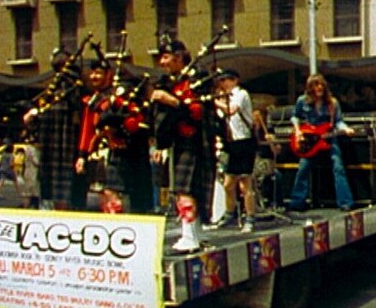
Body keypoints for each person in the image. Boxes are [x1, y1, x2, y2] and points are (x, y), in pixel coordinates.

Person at [151, 39, 217, 252]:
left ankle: (190, 237)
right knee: (187, 189)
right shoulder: (171, 80)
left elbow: (197, 111)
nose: (162, 62)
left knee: (185, 189)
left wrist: (170, 100)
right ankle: (194, 235)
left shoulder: (197, 78)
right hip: (179, 141)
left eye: (166, 57)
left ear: (179, 57)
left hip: (195, 140)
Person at [75, 59, 153, 214]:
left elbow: (139, 122)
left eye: (98, 73)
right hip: (105, 152)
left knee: (136, 198)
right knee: (107, 194)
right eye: (92, 73)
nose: (93, 77)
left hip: (131, 150)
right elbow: (87, 129)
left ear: (108, 74)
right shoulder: (94, 101)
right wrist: (82, 155)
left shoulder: (124, 94)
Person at [23, 48, 84, 210]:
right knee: (52, 190)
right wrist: (33, 116)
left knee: (61, 191)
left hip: (65, 147)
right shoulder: (55, 89)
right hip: (53, 146)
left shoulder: (71, 89)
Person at [288, 74, 357, 212]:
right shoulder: (302, 101)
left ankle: (345, 202)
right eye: (315, 85)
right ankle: (297, 201)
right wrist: (298, 132)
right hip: (309, 140)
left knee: (338, 166)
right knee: (303, 167)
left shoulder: (332, 103)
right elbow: (295, 117)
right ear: (310, 88)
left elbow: (338, 121)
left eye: (321, 85)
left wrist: (345, 129)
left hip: (329, 138)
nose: (319, 88)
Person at [213, 69, 257, 233]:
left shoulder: (241, 94)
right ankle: (230, 213)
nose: (223, 84)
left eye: (226, 80)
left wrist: (215, 102)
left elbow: (231, 110)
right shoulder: (223, 97)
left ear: (234, 80)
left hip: (244, 142)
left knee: (245, 183)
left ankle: (250, 217)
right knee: (228, 183)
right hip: (231, 143)